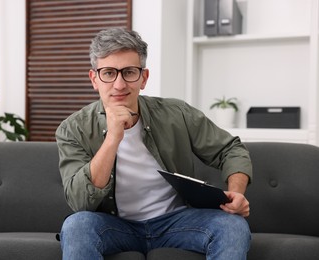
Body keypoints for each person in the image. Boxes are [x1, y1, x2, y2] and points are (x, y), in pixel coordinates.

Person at [55, 27, 252, 260]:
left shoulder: (177, 113)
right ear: (94, 79)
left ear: (144, 78)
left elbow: (231, 149)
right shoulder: (72, 129)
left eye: (129, 72)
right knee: (77, 226)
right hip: (115, 226)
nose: (119, 85)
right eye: (108, 73)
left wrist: (236, 193)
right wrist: (113, 138)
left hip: (176, 222)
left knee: (233, 226)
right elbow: (79, 201)